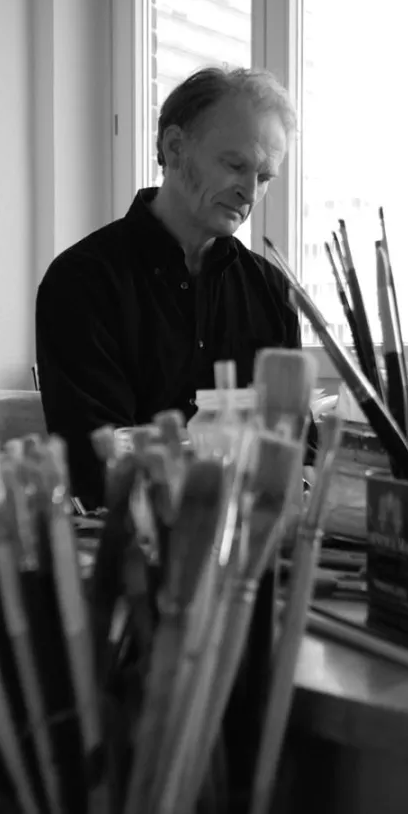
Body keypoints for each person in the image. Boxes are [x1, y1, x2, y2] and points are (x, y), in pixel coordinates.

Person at [36, 66, 317, 509]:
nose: (249, 191)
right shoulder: (82, 282)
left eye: (264, 177)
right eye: (235, 165)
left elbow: (298, 453)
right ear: (174, 147)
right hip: (127, 551)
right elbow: (100, 463)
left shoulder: (271, 290)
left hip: (253, 546)